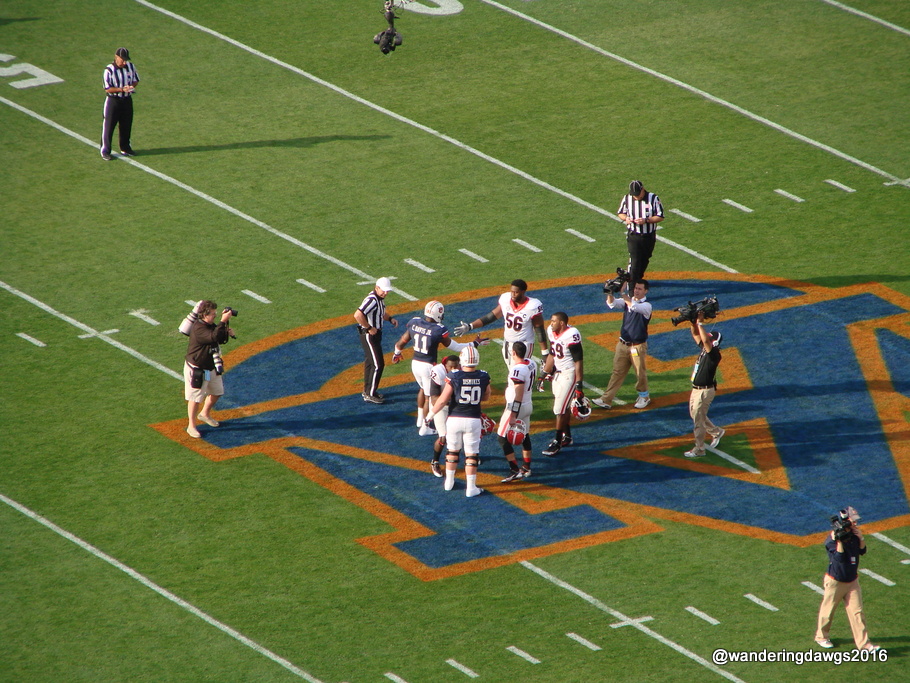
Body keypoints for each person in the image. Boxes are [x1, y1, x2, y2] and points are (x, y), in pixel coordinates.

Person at [392, 300, 487, 431]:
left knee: (422, 389)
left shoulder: (415, 322)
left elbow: (401, 342)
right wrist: (474, 344)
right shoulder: (438, 329)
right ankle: (426, 427)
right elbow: (455, 347)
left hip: (415, 364)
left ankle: (420, 420)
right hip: (427, 366)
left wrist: (396, 354)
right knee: (430, 397)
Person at [425, 345, 491, 497]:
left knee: (452, 450)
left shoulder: (454, 375)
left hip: (454, 419)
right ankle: (471, 488)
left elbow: (443, 400)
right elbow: (486, 396)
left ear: (462, 359)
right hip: (473, 419)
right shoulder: (483, 376)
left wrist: (430, 415)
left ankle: (449, 482)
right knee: (471, 454)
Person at [814, 508, 881, 652]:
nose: (856, 523)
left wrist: (860, 537)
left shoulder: (854, 535)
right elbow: (839, 558)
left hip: (852, 581)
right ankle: (821, 637)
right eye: (853, 520)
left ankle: (864, 645)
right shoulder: (831, 540)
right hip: (836, 581)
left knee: (857, 613)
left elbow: (862, 551)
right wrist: (840, 541)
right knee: (828, 611)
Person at [454, 279, 549, 367]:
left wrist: (544, 352)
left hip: (523, 344)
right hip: (507, 343)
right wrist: (470, 326)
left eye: (516, 292)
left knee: (518, 372)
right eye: (512, 291)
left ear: (523, 292)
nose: (513, 294)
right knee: (512, 372)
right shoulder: (506, 299)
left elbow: (539, 330)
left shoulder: (532, 306)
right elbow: (491, 316)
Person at [593, 280, 652, 410]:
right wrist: (610, 292)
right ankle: (606, 399)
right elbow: (612, 303)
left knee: (640, 373)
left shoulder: (646, 306)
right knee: (617, 372)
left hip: (637, 346)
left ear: (646, 291)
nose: (636, 291)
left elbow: (634, 307)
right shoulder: (628, 302)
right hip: (623, 344)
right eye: (636, 288)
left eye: (640, 289)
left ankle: (644, 397)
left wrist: (622, 293)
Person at [183, 300, 234, 438]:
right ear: (204, 314)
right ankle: (191, 426)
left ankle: (204, 414)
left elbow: (219, 339)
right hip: (197, 368)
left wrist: (226, 331)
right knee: (195, 398)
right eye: (213, 313)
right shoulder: (198, 328)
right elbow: (213, 337)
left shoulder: (210, 325)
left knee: (217, 392)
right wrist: (223, 321)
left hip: (211, 365)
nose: (215, 315)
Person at [540, 312, 584, 457]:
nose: (551, 323)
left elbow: (578, 361)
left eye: (554, 321)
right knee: (563, 407)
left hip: (569, 374)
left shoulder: (572, 334)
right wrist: (544, 373)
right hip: (557, 374)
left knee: (559, 409)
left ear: (562, 323)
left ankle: (557, 442)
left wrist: (579, 385)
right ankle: (567, 436)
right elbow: (552, 353)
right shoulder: (551, 332)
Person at [683, 312, 725, 458]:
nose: (705, 338)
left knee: (698, 422)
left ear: (715, 343)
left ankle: (699, 449)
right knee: (696, 415)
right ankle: (716, 432)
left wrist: (700, 323)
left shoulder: (714, 354)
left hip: (704, 391)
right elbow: (696, 334)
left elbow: (706, 342)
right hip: (697, 390)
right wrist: (693, 322)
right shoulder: (706, 349)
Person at [497, 341, 537, 482]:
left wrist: (513, 414)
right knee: (525, 435)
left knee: (502, 437)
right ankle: (526, 467)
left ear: (513, 352)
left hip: (516, 408)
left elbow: (518, 393)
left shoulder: (518, 370)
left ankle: (514, 469)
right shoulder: (531, 363)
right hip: (528, 405)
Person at [354, 277, 398, 404]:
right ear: (377, 288)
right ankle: (370, 393)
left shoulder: (378, 299)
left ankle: (368, 390)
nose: (386, 293)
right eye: (383, 290)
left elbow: (380, 313)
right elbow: (357, 315)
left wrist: (390, 319)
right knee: (378, 364)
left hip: (375, 334)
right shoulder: (372, 300)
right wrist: (369, 328)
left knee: (370, 363)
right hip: (369, 335)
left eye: (387, 291)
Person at [619, 180, 664, 284]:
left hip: (649, 235)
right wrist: (626, 218)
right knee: (635, 261)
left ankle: (637, 279)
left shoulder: (653, 198)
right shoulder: (627, 198)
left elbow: (660, 216)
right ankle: (631, 286)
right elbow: (621, 213)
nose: (636, 197)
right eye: (634, 195)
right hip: (634, 235)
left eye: (638, 194)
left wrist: (646, 220)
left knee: (645, 259)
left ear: (643, 189)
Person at [100, 47, 140, 161]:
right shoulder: (109, 70)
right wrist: (121, 89)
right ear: (116, 57)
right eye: (122, 59)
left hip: (127, 100)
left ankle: (125, 148)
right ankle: (105, 150)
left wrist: (131, 86)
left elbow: (136, 80)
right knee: (108, 126)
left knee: (126, 125)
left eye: (125, 60)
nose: (124, 62)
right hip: (113, 101)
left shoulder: (130, 66)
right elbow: (107, 88)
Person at [427, 354, 460, 477]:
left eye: (456, 366)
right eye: (451, 367)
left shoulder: (463, 371)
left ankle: (470, 456)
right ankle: (435, 461)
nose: (454, 369)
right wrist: (450, 401)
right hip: (440, 407)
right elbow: (435, 399)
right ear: (445, 366)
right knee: (443, 437)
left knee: (464, 433)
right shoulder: (438, 372)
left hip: (457, 406)